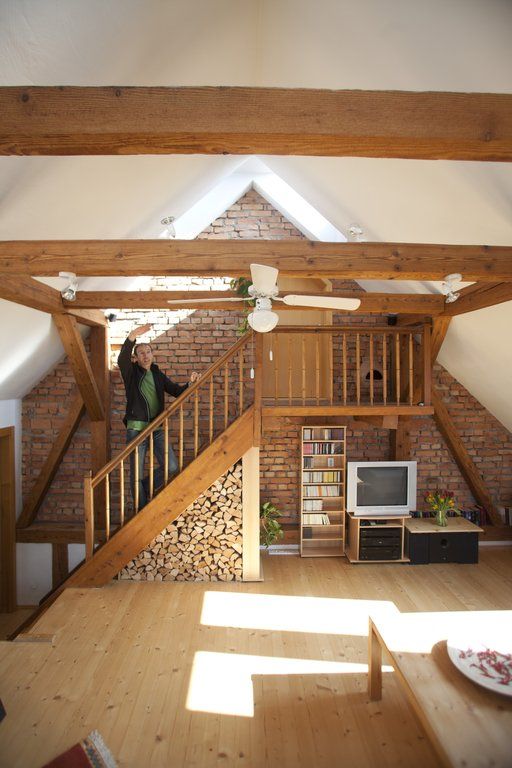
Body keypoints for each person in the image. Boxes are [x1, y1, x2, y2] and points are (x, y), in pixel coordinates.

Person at [118, 323, 199, 509]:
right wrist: (132, 335)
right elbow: (122, 359)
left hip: (157, 427)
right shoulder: (131, 373)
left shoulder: (157, 374)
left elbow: (176, 391)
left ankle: (145, 488)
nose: (146, 355)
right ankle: (140, 511)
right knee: (136, 475)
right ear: (136, 358)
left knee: (172, 467)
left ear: (152, 354)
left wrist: (190, 384)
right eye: (141, 353)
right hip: (136, 430)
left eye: (148, 352)